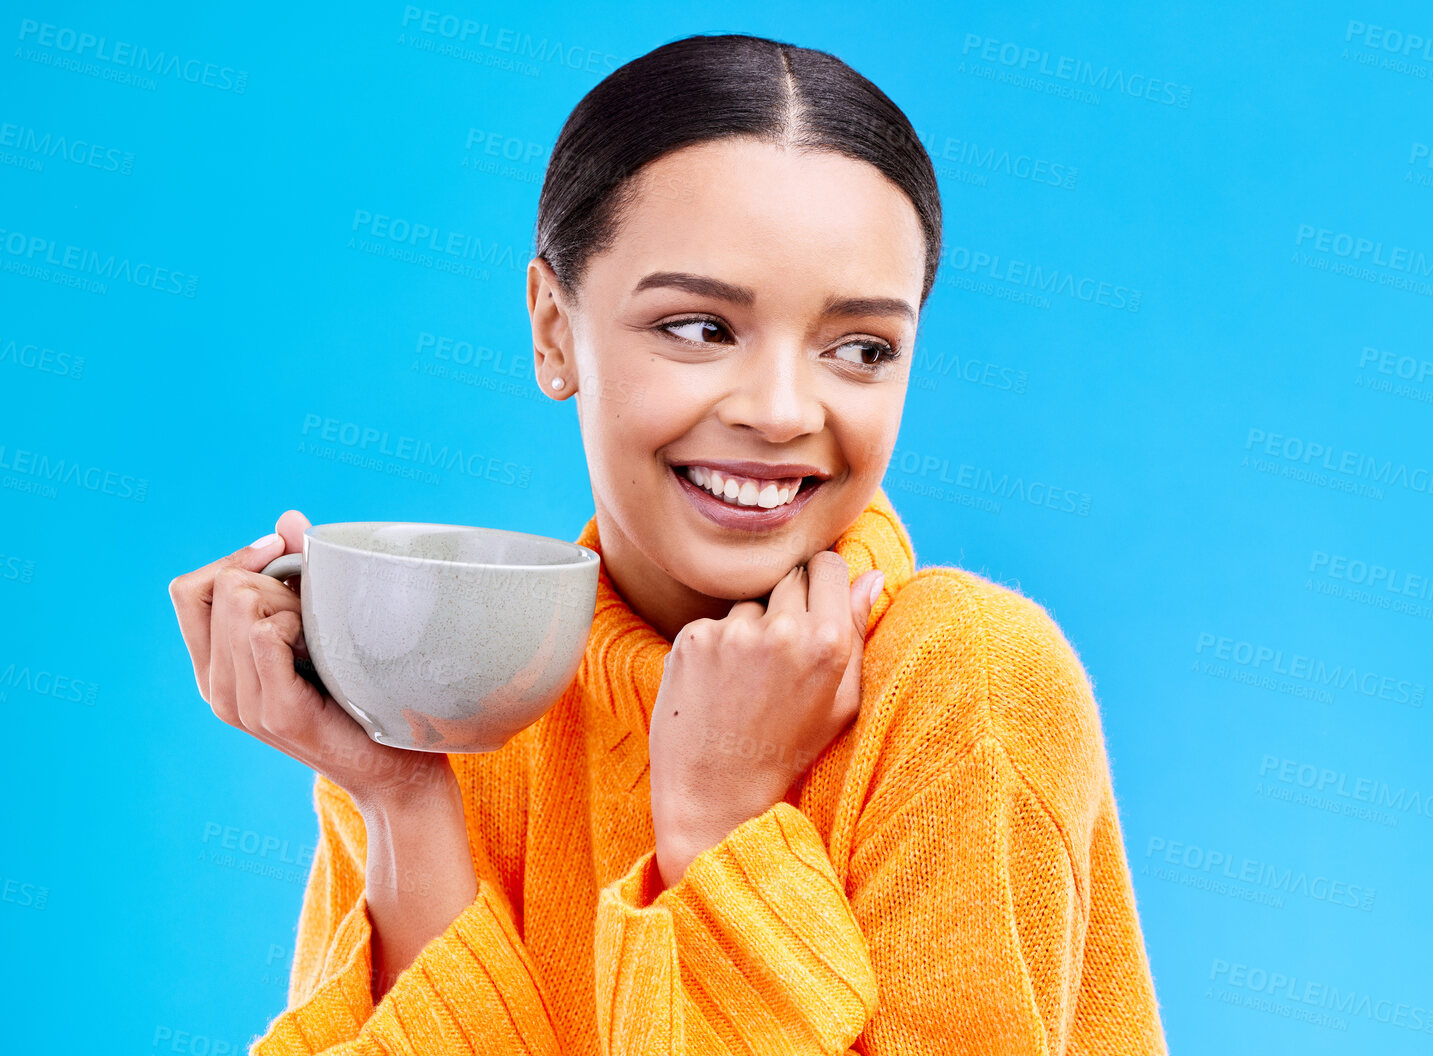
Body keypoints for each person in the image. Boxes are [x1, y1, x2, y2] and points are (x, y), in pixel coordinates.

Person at [168, 33, 1167, 1054]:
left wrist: (721, 824)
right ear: (553, 330)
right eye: (698, 328)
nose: (782, 411)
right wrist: (399, 794)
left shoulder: (967, 679)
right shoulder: (455, 696)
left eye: (860, 348)